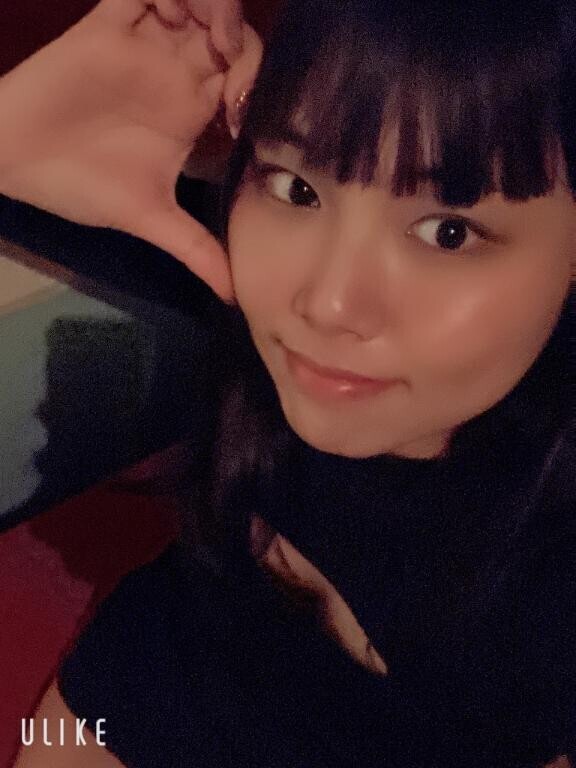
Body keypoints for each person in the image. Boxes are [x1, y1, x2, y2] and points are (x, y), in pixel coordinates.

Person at [3, 0, 575, 765]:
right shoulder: (198, 262)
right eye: (297, 187)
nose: (327, 304)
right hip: (167, 670)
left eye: (448, 231)